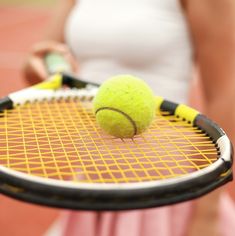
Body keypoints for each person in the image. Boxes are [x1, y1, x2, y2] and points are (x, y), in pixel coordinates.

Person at [23, 0, 235, 235]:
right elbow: (39, 60)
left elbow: (224, 93)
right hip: (90, 180)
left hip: (161, 190)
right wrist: (47, 62)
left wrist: (207, 215)